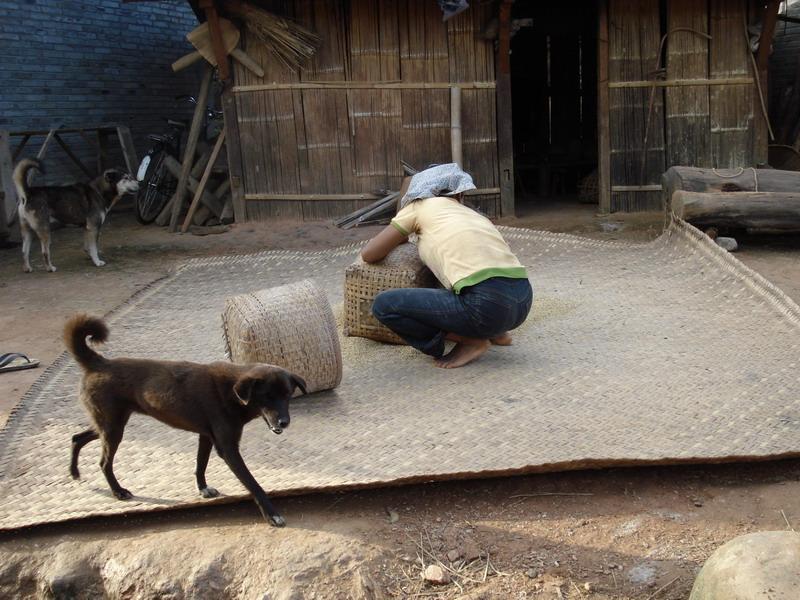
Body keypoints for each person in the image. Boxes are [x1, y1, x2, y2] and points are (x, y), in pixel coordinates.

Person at [361, 164, 533, 368]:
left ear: (421, 193)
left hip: (486, 304)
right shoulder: (472, 215)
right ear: (458, 195)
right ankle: (497, 332)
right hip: (523, 300)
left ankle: (470, 340)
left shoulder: (419, 207)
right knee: (463, 277)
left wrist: (402, 234)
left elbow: (370, 254)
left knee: (384, 305)